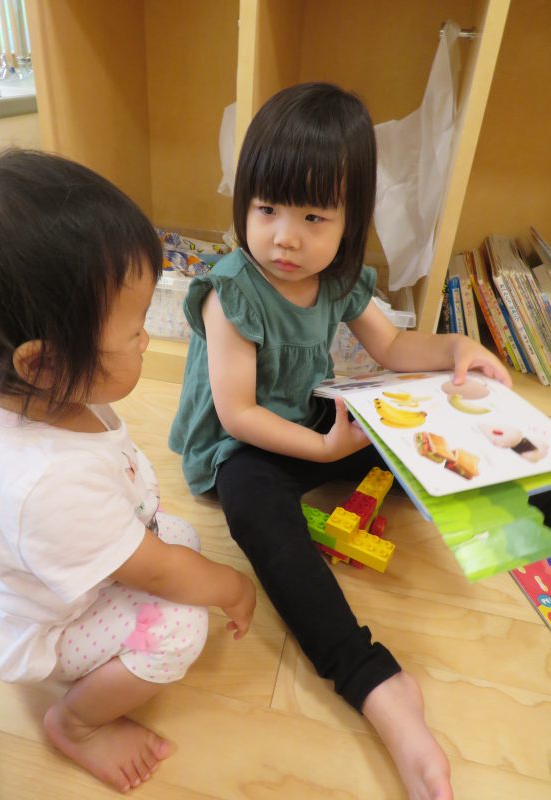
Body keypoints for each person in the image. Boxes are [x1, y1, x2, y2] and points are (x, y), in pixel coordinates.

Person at [169, 82, 519, 800]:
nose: (284, 237)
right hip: (244, 448)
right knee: (255, 505)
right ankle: (373, 682)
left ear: (350, 220)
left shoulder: (336, 279)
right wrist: (328, 452)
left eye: (313, 216)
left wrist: (457, 347)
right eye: (266, 209)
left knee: (418, 416)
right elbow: (238, 416)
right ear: (244, 202)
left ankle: (502, 492)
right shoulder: (232, 292)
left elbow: (393, 348)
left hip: (312, 418)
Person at [0, 148, 256, 793]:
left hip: (44, 566)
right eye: (135, 329)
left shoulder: (18, 390)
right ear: (42, 364)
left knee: (181, 540)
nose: (146, 339)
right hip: (47, 629)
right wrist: (231, 587)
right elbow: (158, 571)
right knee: (180, 625)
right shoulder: (48, 482)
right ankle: (77, 722)